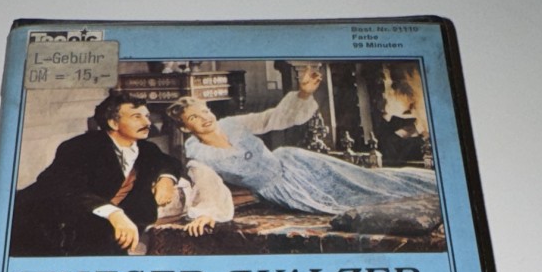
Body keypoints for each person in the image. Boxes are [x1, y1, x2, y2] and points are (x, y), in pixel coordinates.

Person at [167, 67, 441, 227]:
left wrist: (304, 93)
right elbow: (208, 186)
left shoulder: (232, 124)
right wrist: (207, 214)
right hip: (281, 188)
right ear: (185, 128)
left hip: (294, 161)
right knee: (350, 201)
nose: (205, 118)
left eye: (205, 111)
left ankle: (435, 184)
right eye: (194, 118)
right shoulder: (199, 156)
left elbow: (272, 118)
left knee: (366, 179)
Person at [10, 91, 222, 256]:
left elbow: (169, 162)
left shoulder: (146, 148)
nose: (147, 123)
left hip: (99, 226)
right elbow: (65, 188)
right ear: (113, 123)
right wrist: (114, 214)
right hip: (40, 222)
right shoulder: (79, 147)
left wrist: (166, 178)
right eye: (137, 117)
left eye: (147, 116)